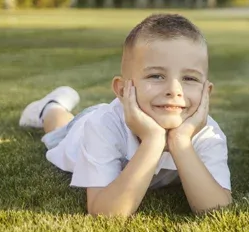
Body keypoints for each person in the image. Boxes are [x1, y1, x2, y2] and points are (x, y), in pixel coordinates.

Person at [19, 13, 232, 216]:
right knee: (58, 129)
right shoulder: (102, 127)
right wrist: (153, 140)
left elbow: (216, 209)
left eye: (190, 79)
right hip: (81, 130)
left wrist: (180, 141)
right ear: (122, 90)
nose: (174, 90)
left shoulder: (208, 134)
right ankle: (51, 105)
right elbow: (105, 212)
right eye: (156, 76)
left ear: (207, 92)